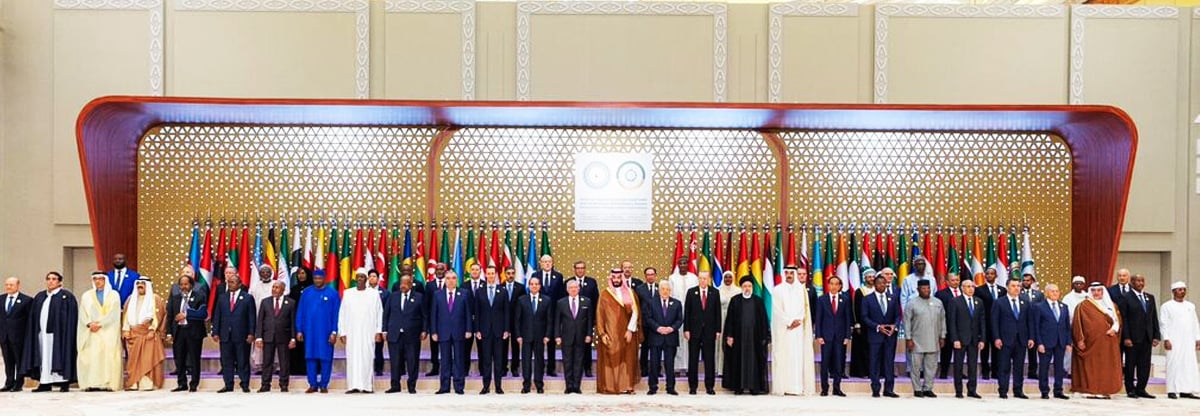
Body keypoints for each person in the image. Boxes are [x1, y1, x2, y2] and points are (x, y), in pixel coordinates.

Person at [22, 271, 78, 393]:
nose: (50, 281)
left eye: (54, 279)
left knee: (59, 356)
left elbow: (72, 318)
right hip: (42, 334)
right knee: (43, 358)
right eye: (48, 279)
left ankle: (64, 382)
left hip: (59, 336)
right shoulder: (40, 296)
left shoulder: (67, 296)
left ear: (59, 282)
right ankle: (45, 382)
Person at [1072, 282, 1122, 399]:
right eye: (1094, 291)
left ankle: (1105, 389)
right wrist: (1080, 340)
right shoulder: (1083, 306)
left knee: (1105, 366)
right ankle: (1091, 390)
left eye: (1099, 290)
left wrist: (1114, 329)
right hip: (1091, 343)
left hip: (1108, 342)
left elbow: (1117, 320)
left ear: (1103, 291)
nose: (1096, 293)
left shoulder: (1112, 305)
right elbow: (1077, 324)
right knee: (1092, 366)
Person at [771, 266, 816, 396]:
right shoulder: (778, 289)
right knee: (783, 356)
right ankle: (783, 387)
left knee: (797, 357)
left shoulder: (801, 290)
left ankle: (796, 387)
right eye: (787, 273)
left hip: (797, 330)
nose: (789, 275)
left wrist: (797, 320)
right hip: (783, 329)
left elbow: (804, 309)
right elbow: (776, 310)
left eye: (792, 273)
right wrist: (789, 321)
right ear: (784, 274)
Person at [596, 268, 642, 394]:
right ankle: (611, 387)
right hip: (610, 333)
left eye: (618, 278)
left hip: (626, 333)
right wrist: (602, 333)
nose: (616, 280)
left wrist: (630, 330)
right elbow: (599, 315)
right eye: (614, 278)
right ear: (611, 279)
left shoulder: (630, 293)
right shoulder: (605, 294)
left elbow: (635, 313)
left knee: (628, 359)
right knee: (611, 358)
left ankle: (627, 386)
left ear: (622, 278)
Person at [77, 271, 123, 391]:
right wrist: (89, 324)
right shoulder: (86, 295)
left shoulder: (114, 295)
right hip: (91, 332)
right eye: (95, 279)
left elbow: (114, 314)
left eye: (101, 279)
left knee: (107, 357)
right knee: (92, 357)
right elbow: (82, 313)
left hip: (108, 331)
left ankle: (108, 384)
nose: (98, 281)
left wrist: (101, 324)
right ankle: (91, 383)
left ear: (105, 280)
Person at [340, 269, 384, 394]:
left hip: (368, 332)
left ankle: (367, 386)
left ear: (366, 279)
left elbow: (379, 313)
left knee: (367, 358)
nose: (360, 279)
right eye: (358, 277)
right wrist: (342, 332)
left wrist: (378, 331)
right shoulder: (348, 293)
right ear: (355, 279)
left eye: (362, 277)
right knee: (352, 358)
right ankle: (352, 386)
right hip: (351, 332)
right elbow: (342, 314)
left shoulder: (373, 294)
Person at [723, 276, 769, 395]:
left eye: (749, 286)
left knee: (754, 361)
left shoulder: (758, 301)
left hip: (755, 337)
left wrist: (764, 336)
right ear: (741, 288)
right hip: (739, 337)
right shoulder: (735, 300)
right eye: (745, 286)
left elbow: (764, 320)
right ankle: (739, 387)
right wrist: (729, 336)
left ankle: (754, 387)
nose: (747, 289)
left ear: (752, 287)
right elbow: (730, 320)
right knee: (739, 360)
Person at [212, 269, 256, 393]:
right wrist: (215, 332)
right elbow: (217, 316)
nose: (229, 284)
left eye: (232, 282)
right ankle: (228, 384)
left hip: (242, 335)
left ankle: (245, 384)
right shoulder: (222, 297)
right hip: (225, 335)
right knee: (226, 361)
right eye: (228, 282)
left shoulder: (247, 298)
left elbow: (251, 317)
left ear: (239, 284)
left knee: (242, 360)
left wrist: (251, 333)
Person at [296, 269, 339, 394]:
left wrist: (334, 331)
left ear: (324, 278)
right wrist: (299, 330)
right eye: (315, 278)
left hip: (326, 332)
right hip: (310, 332)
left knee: (326, 358)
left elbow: (336, 314)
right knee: (310, 357)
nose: (317, 281)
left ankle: (324, 384)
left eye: (320, 278)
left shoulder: (332, 293)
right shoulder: (307, 293)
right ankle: (313, 384)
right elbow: (300, 312)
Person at [1117, 273, 1160, 399]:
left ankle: (1141, 389)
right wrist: (1126, 337)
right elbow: (1123, 319)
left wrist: (1156, 335)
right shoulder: (1126, 297)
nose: (1140, 283)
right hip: (1132, 338)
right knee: (1130, 365)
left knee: (1144, 365)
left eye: (1142, 281)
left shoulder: (1150, 297)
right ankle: (1130, 390)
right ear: (1132, 282)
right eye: (1137, 281)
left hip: (1147, 337)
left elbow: (1154, 318)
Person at [431, 270, 472, 395]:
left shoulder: (464, 293)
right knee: (445, 360)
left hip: (459, 332)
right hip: (443, 332)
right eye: (448, 278)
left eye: (453, 278)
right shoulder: (437, 294)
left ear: (457, 280)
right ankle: (444, 386)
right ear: (445, 280)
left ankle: (459, 386)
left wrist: (469, 329)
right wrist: (433, 331)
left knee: (459, 360)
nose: (450, 280)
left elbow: (468, 313)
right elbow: (434, 314)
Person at [991, 278, 1033, 399]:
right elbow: (994, 322)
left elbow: (1029, 321)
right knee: (1004, 366)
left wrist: (1031, 337)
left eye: (1018, 286)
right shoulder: (999, 302)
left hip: (1021, 339)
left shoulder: (1025, 302)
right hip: (1005, 340)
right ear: (1007, 287)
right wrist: (996, 338)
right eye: (1014, 286)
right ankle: (1003, 390)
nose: (1017, 288)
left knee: (1019, 367)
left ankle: (1018, 390)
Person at [384, 273, 425, 394]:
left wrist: (424, 330)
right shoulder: (393, 296)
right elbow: (386, 314)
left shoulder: (419, 297)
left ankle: (411, 385)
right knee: (395, 361)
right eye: (401, 283)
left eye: (406, 283)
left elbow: (424, 316)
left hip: (412, 335)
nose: (403, 286)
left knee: (412, 361)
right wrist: (384, 330)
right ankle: (395, 385)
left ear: (411, 284)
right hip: (395, 334)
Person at [122, 277, 165, 391]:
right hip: (133, 334)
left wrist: (152, 329)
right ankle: (133, 383)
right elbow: (125, 316)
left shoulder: (155, 299)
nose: (140, 285)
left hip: (148, 334)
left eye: (143, 283)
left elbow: (159, 316)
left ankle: (146, 383)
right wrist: (125, 329)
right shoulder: (130, 299)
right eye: (138, 283)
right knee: (133, 361)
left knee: (147, 360)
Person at [904, 279, 945, 398]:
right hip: (916, 341)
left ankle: (928, 388)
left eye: (928, 288)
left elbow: (943, 320)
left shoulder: (938, 302)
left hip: (934, 340)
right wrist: (908, 338)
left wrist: (942, 336)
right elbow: (907, 322)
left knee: (931, 367)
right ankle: (917, 389)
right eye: (923, 288)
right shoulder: (911, 303)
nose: (926, 290)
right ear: (918, 290)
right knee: (916, 367)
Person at [1159, 281, 1200, 399]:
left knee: (1188, 364)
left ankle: (1186, 390)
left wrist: (1198, 338)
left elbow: (1195, 323)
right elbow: (1164, 324)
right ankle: (1172, 390)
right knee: (1173, 364)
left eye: (1183, 289)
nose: (1182, 291)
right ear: (1173, 292)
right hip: (1174, 340)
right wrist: (1166, 338)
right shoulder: (1166, 306)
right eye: (1179, 289)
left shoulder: (1190, 306)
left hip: (1188, 340)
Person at [165, 274, 207, 392]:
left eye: (186, 284)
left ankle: (194, 384)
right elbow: (170, 316)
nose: (183, 286)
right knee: (179, 359)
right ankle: (181, 383)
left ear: (191, 285)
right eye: (181, 284)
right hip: (179, 332)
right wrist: (169, 333)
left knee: (194, 359)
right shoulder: (175, 297)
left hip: (194, 332)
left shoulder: (199, 296)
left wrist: (186, 314)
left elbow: (203, 313)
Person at [862, 272, 900, 398]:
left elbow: (898, 315)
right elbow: (864, 317)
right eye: (879, 283)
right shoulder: (867, 299)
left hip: (890, 336)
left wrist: (895, 325)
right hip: (875, 336)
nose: (882, 285)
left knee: (889, 362)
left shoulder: (893, 297)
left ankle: (889, 389)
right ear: (874, 284)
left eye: (884, 283)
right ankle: (876, 389)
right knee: (874, 363)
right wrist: (878, 327)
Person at [684, 270, 721, 395]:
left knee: (709, 360)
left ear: (709, 279)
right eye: (700, 278)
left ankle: (709, 387)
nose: (702, 280)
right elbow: (687, 312)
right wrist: (686, 329)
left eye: (705, 278)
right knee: (693, 360)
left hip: (710, 332)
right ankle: (693, 387)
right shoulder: (691, 292)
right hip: (694, 332)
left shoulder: (715, 292)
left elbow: (718, 313)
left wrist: (718, 330)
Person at [474, 266, 510, 394]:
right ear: (486, 275)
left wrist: (507, 329)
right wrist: (477, 329)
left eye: (492, 273)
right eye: (488, 273)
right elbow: (477, 312)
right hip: (484, 331)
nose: (490, 275)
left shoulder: (503, 290)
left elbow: (507, 312)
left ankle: (499, 386)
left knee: (499, 360)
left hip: (499, 331)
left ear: (495, 275)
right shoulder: (479, 291)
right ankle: (486, 386)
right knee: (486, 360)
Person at [1032, 283, 1071, 400]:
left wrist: (1068, 343)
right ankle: (1044, 390)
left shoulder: (1064, 306)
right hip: (1045, 342)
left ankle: (1058, 390)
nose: (1055, 293)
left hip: (1060, 342)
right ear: (1046, 293)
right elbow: (1036, 327)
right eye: (1052, 291)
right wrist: (1039, 343)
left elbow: (1067, 327)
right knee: (1044, 367)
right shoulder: (1039, 307)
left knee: (1059, 367)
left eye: (1057, 291)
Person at [255, 280, 295, 392]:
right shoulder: (265, 302)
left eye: (277, 287)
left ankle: (284, 384)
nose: (274, 289)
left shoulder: (290, 303)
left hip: (284, 336)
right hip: (268, 336)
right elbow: (260, 321)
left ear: (283, 290)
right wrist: (258, 337)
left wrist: (293, 338)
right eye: (273, 287)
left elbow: (292, 322)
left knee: (284, 362)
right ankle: (265, 384)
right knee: (267, 361)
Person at [946, 279, 984, 398]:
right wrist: (955, 339)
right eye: (968, 286)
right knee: (958, 365)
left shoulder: (979, 301)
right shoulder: (955, 301)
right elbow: (951, 322)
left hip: (974, 340)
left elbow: (982, 322)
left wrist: (982, 339)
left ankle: (972, 390)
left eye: (972, 286)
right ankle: (958, 390)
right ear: (962, 288)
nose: (971, 289)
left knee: (973, 365)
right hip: (960, 339)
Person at [555, 279, 594, 394]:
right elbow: (557, 321)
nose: (573, 289)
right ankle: (569, 386)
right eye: (571, 287)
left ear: (579, 288)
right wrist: (557, 335)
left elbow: (589, 320)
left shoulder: (586, 302)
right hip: (566, 337)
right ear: (567, 290)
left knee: (579, 361)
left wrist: (589, 334)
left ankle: (577, 386)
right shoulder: (561, 303)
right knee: (567, 362)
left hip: (581, 337)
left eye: (575, 287)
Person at [815, 275, 851, 397]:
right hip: (826, 337)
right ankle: (824, 388)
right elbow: (818, 319)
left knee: (839, 363)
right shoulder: (822, 299)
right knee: (825, 363)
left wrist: (847, 336)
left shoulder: (845, 299)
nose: (834, 286)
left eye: (837, 284)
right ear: (828, 285)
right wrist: (818, 335)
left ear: (840, 286)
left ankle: (837, 388)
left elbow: (847, 319)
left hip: (840, 338)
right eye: (832, 284)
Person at [645, 282, 683, 395]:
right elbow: (648, 318)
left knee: (670, 364)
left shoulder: (677, 303)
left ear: (670, 290)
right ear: (659, 290)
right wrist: (658, 328)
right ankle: (653, 387)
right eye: (663, 289)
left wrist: (672, 328)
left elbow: (680, 319)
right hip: (656, 337)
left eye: (667, 289)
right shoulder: (652, 303)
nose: (665, 291)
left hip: (670, 337)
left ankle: (670, 387)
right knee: (654, 364)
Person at [514, 276, 550, 394]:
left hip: (540, 337)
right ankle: (526, 385)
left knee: (539, 361)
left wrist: (547, 335)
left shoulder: (546, 300)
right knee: (526, 361)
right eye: (532, 284)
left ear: (540, 286)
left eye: (536, 284)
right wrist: (518, 335)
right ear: (529, 286)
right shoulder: (522, 300)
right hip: (525, 336)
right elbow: (517, 320)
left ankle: (539, 385)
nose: (534, 286)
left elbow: (549, 320)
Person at [528, 255, 564, 377]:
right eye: (544, 262)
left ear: (552, 262)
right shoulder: (535, 275)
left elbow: (560, 296)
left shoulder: (558, 276)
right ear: (540, 263)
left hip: (553, 315)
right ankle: (539, 368)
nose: (547, 264)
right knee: (538, 343)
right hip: (538, 315)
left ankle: (551, 368)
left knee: (551, 343)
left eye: (549, 261)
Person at [567, 261, 600, 378]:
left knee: (586, 346)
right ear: (574, 269)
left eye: (582, 268)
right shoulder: (568, 282)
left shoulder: (591, 282)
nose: (580, 270)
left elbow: (597, 301)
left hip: (587, 320)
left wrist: (595, 320)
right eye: (578, 268)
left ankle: (587, 368)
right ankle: (574, 369)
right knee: (572, 346)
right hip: (571, 321)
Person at [1, 276, 32, 392]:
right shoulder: (1, 299)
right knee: (8, 361)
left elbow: (29, 320)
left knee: (19, 360)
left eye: (11, 285)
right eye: (7, 284)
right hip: (4, 336)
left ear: (18, 285)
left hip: (19, 337)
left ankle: (18, 383)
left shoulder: (26, 300)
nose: (8, 287)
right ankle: (9, 382)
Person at [667, 257, 697, 373]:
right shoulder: (672, 278)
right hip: (676, 311)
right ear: (678, 265)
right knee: (678, 339)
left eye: (685, 263)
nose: (683, 265)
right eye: (681, 263)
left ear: (688, 264)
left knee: (689, 338)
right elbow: (670, 294)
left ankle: (690, 366)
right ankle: (677, 367)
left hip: (691, 312)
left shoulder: (693, 277)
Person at [248, 264, 278, 375]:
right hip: (258, 317)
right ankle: (259, 366)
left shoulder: (276, 284)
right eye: (263, 272)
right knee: (260, 342)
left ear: (271, 273)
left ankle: (275, 365)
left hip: (274, 318)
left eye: (267, 272)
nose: (265, 274)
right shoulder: (255, 286)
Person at [976, 266, 1005, 379]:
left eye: (992, 274)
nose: (989, 276)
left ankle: (995, 371)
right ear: (985, 276)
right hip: (985, 324)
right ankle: (985, 371)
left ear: (996, 276)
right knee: (984, 350)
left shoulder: (1002, 290)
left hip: (998, 325)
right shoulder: (979, 290)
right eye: (987, 274)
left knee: (997, 349)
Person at [848, 268, 877, 379]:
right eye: (869, 277)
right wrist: (857, 324)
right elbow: (856, 308)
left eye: (873, 276)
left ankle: (874, 371)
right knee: (862, 350)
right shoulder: (860, 291)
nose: (871, 279)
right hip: (863, 326)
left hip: (875, 325)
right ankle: (862, 371)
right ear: (864, 278)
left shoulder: (878, 289)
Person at [634, 267, 662, 378]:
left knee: (657, 348)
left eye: (652, 274)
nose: (650, 276)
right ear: (645, 276)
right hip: (645, 324)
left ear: (655, 275)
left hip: (657, 324)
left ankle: (657, 370)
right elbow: (637, 306)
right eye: (648, 274)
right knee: (645, 348)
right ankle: (644, 370)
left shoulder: (661, 287)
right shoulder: (639, 289)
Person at [933, 273, 962, 379]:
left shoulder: (964, 292)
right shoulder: (940, 294)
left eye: (957, 280)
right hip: (947, 327)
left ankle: (959, 373)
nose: (956, 282)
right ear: (947, 282)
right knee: (946, 352)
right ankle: (944, 372)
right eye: (953, 280)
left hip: (962, 328)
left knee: (960, 353)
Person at [286, 267, 312, 377]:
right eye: (299, 274)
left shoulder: (312, 289)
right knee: (297, 345)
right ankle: (296, 368)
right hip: (296, 321)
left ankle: (309, 368)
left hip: (310, 322)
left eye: (303, 273)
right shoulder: (294, 289)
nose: (301, 275)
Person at [424, 262, 449, 377]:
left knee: (448, 346)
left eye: (442, 269)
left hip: (447, 321)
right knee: (434, 347)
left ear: (445, 271)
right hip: (434, 322)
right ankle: (435, 367)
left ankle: (448, 367)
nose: (439, 271)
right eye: (437, 269)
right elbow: (427, 305)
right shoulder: (429, 285)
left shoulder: (450, 283)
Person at [1020, 272, 1045, 378]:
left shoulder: (1039, 294)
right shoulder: (1018, 293)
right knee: (1020, 351)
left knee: (1033, 351)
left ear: (1032, 281)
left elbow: (1043, 308)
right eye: (1024, 280)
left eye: (1028, 280)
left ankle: (1032, 372)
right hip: (1022, 325)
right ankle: (1019, 372)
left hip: (1035, 325)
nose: (1026, 282)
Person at [502, 266, 525, 378]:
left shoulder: (520, 288)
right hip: (503, 321)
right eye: (508, 273)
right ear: (505, 274)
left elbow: (524, 305)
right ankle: (503, 368)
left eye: (512, 273)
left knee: (516, 346)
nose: (510, 275)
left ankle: (515, 368)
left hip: (517, 321)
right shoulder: (500, 287)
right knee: (503, 346)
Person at [717, 270, 739, 377]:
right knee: (721, 344)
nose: (728, 279)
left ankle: (733, 369)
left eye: (730, 277)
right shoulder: (718, 290)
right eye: (726, 277)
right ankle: (720, 370)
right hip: (721, 318)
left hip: (735, 320)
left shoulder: (738, 290)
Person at [368, 269, 388, 377]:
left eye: (374, 276)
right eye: (370, 276)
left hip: (378, 324)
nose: (372, 278)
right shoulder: (364, 292)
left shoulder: (385, 293)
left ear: (378, 278)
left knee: (378, 349)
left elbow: (386, 311)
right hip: (366, 325)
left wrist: (382, 328)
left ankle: (379, 369)